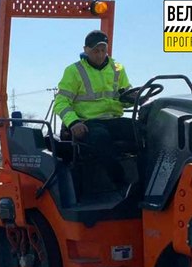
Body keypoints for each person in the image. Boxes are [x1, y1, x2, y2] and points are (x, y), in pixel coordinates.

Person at [53, 30, 136, 185]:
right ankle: (121, 182)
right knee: (101, 138)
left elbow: (123, 97)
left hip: (113, 120)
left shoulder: (118, 69)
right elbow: (61, 101)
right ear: (86, 50)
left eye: (103, 50)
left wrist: (134, 98)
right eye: (95, 51)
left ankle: (147, 180)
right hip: (87, 122)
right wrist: (73, 123)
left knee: (143, 131)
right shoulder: (74, 71)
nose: (100, 55)